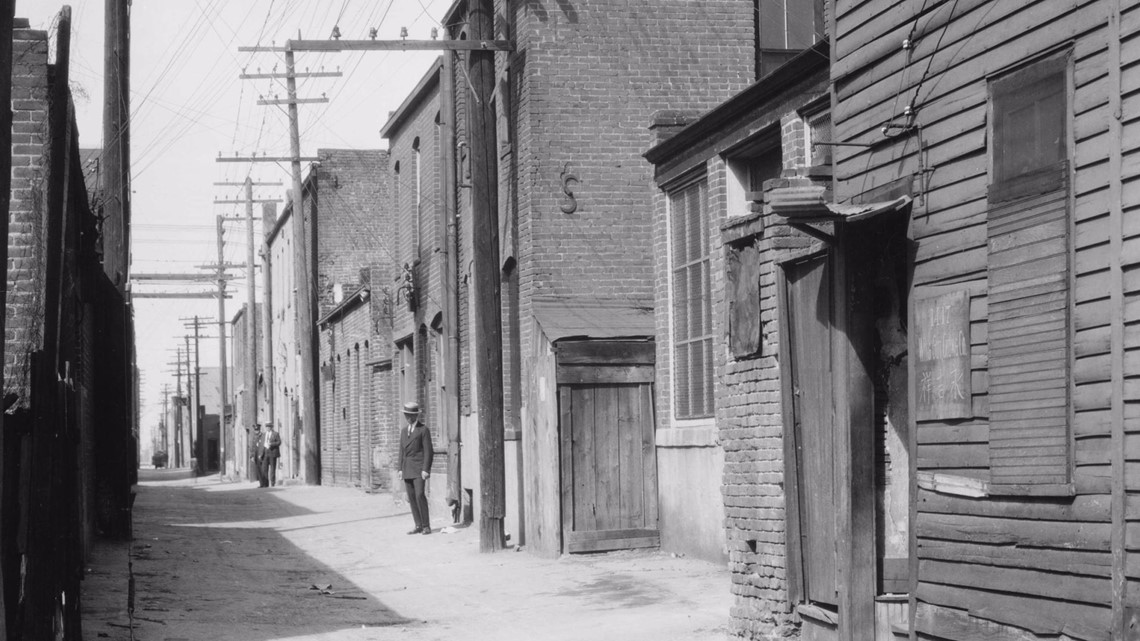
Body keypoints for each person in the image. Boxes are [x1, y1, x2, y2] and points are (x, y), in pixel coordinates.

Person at [398, 401, 434, 534]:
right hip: (407, 468)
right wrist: (400, 469)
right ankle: (418, 525)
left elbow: (428, 451)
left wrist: (426, 469)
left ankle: (426, 525)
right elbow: (401, 451)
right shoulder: (403, 431)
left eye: (411, 415)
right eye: (406, 415)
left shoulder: (423, 430)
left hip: (419, 469)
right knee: (411, 497)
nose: (408, 417)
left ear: (416, 416)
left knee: (420, 495)